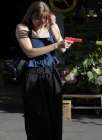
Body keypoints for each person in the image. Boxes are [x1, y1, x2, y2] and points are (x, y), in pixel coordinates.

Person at [15, 1, 72, 140]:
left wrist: (53, 25)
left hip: (51, 73)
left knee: (54, 114)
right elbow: (30, 52)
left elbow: (62, 49)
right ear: (30, 16)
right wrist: (55, 45)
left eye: (44, 18)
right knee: (36, 116)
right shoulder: (22, 28)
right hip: (32, 75)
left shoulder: (51, 25)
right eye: (37, 18)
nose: (40, 22)